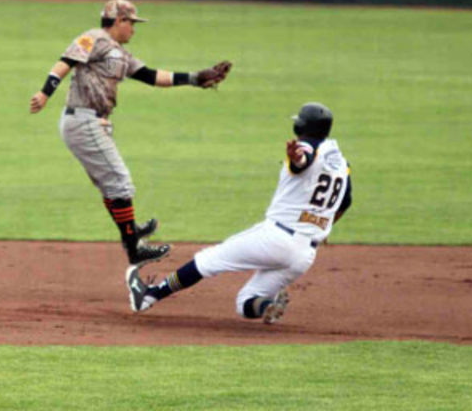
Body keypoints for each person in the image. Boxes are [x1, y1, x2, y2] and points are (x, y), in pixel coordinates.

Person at [29, 0, 232, 267]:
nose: (134, 30)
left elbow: (151, 76)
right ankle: (134, 246)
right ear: (119, 21)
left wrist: (195, 79)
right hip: (83, 120)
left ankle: (131, 234)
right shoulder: (94, 38)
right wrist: (45, 92)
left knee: (111, 185)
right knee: (120, 181)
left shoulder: (120, 54)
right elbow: (64, 62)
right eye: (131, 23)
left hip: (93, 122)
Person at [127, 102, 353, 325]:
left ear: (302, 126)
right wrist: (323, 227)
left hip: (276, 238)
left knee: (208, 260)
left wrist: (297, 159)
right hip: (304, 255)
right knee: (245, 302)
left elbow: (303, 160)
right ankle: (267, 306)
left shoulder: (306, 148)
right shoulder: (342, 164)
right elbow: (345, 201)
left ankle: (150, 295)